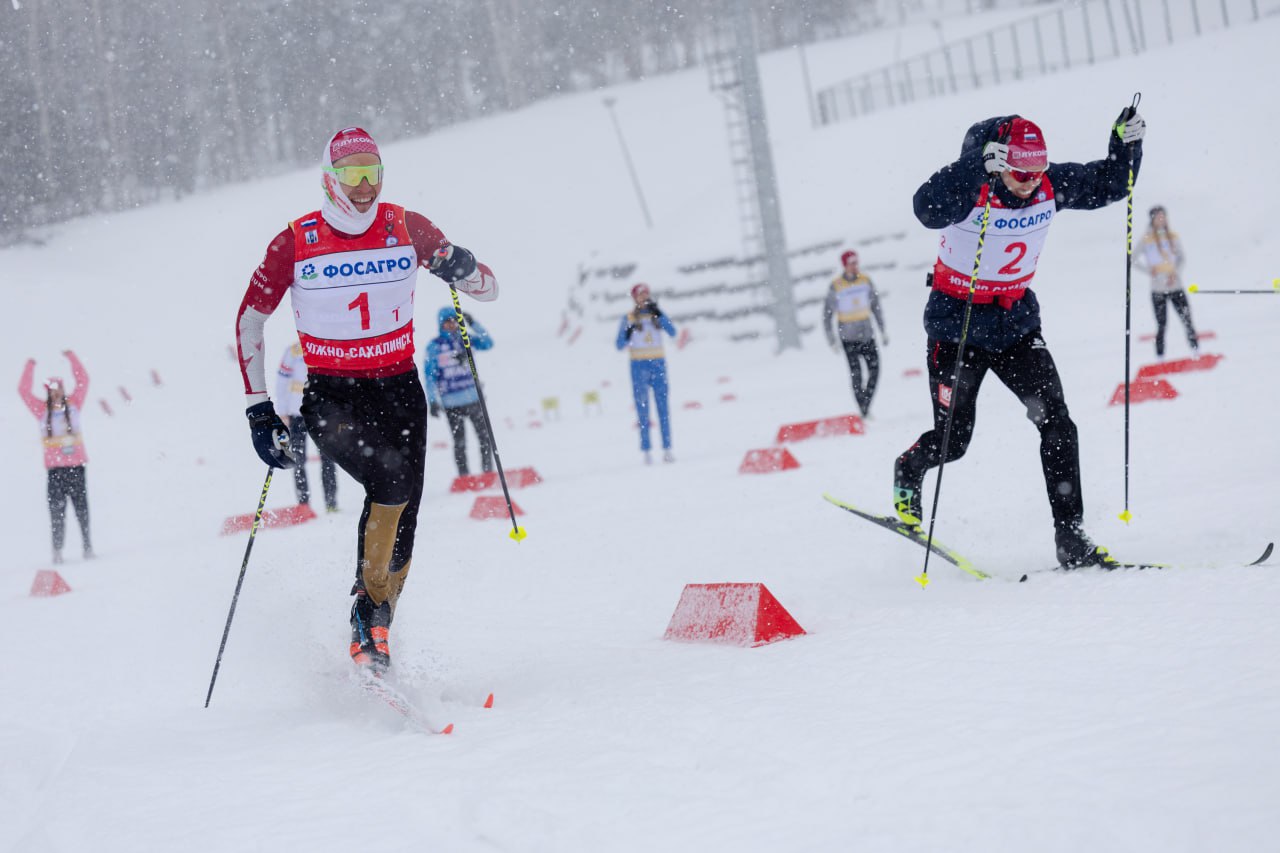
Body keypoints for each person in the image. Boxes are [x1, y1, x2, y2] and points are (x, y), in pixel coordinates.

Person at [234, 127, 498, 672]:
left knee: (408, 514)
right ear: (330, 180)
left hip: (400, 390)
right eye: (352, 174)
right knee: (389, 480)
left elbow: (488, 289)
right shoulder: (295, 242)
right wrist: (259, 408)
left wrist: (464, 267)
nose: (364, 186)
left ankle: (378, 628)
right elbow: (249, 320)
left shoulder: (407, 227)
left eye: (372, 173)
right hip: (333, 395)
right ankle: (366, 612)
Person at [892, 108, 1146, 568]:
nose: (1029, 182)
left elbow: (1112, 183)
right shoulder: (969, 190)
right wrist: (974, 166)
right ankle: (909, 468)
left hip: (1014, 327)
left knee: (1058, 424)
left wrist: (1125, 144)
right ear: (998, 162)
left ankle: (1070, 537)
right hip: (956, 328)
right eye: (1020, 172)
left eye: (1037, 171)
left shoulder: (1049, 185)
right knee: (953, 441)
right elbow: (925, 209)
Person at [19, 350, 93, 563]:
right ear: (48, 393)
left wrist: (71, 357)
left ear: (63, 389)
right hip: (55, 471)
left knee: (82, 511)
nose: (56, 393)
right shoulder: (41, 410)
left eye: (58, 389)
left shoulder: (75, 404)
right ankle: (58, 551)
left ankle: (87, 547)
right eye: (52, 390)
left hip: (76, 468)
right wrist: (30, 366)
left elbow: (83, 380)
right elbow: (23, 391)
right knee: (57, 513)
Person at [424, 306, 495, 477]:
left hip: (473, 398)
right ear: (441, 324)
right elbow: (430, 375)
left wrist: (473, 323)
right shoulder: (435, 346)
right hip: (451, 402)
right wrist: (432, 400)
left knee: (484, 438)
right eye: (447, 322)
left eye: (454, 321)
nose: (451, 324)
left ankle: (488, 473)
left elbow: (487, 343)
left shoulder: (465, 339)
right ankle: (464, 477)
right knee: (460, 442)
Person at [823, 249, 888, 418]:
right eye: (851, 263)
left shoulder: (865, 281)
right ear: (844, 265)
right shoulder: (836, 285)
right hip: (848, 337)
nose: (855, 266)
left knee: (875, 370)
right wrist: (831, 340)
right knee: (856, 374)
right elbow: (827, 315)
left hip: (867, 335)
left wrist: (882, 330)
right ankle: (863, 409)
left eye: (856, 262)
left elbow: (876, 307)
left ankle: (866, 403)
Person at [616, 283, 676, 464]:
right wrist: (629, 330)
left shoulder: (656, 315)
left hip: (658, 364)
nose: (643, 298)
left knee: (663, 408)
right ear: (635, 298)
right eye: (640, 295)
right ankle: (646, 450)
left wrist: (660, 315)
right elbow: (619, 344)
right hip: (638, 366)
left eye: (646, 294)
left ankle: (667, 448)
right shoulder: (629, 318)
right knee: (642, 409)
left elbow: (672, 332)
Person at [275, 341, 338, 511]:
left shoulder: (326, 348)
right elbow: (282, 381)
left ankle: (331, 502)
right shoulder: (293, 351)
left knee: (328, 458)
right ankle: (304, 504)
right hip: (297, 414)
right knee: (297, 459)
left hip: (320, 414)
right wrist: (283, 411)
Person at [1134, 205, 1198, 358]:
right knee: (1162, 324)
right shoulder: (1146, 239)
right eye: (1158, 216)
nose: (1161, 219)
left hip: (1175, 286)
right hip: (1158, 289)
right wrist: (1149, 271)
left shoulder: (1172, 236)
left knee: (1187, 319)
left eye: (1163, 216)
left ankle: (1196, 351)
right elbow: (1132, 259)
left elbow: (1181, 258)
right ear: (1152, 219)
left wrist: (1175, 273)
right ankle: (1160, 357)